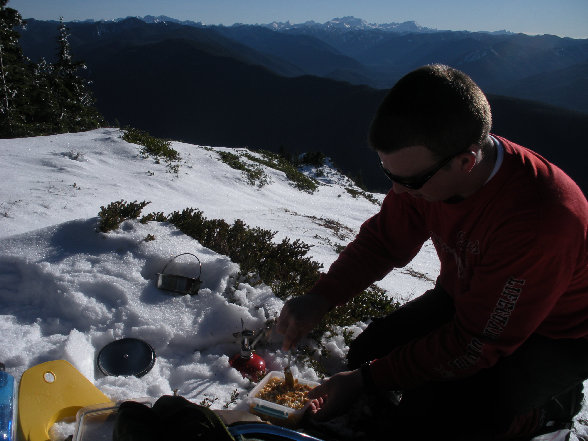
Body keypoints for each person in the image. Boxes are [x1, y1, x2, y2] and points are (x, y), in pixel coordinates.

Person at [276, 64, 588, 440]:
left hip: (557, 334)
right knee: (368, 351)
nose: (399, 192)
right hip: (468, 297)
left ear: (466, 162)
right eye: (389, 174)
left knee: (432, 422)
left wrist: (365, 380)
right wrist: (321, 296)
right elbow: (384, 241)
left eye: (409, 181)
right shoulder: (433, 170)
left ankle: (548, 412)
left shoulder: (540, 219)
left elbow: (476, 343)